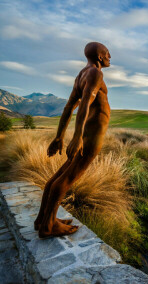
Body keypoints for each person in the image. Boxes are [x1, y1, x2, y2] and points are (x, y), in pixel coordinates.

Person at [34, 42, 111, 238]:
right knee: (68, 178)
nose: (110, 57)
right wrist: (77, 138)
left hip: (86, 135)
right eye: (108, 54)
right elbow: (83, 105)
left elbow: (69, 107)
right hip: (91, 137)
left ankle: (43, 219)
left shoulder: (81, 75)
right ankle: (48, 226)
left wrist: (59, 137)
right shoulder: (95, 73)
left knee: (60, 175)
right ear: (100, 57)